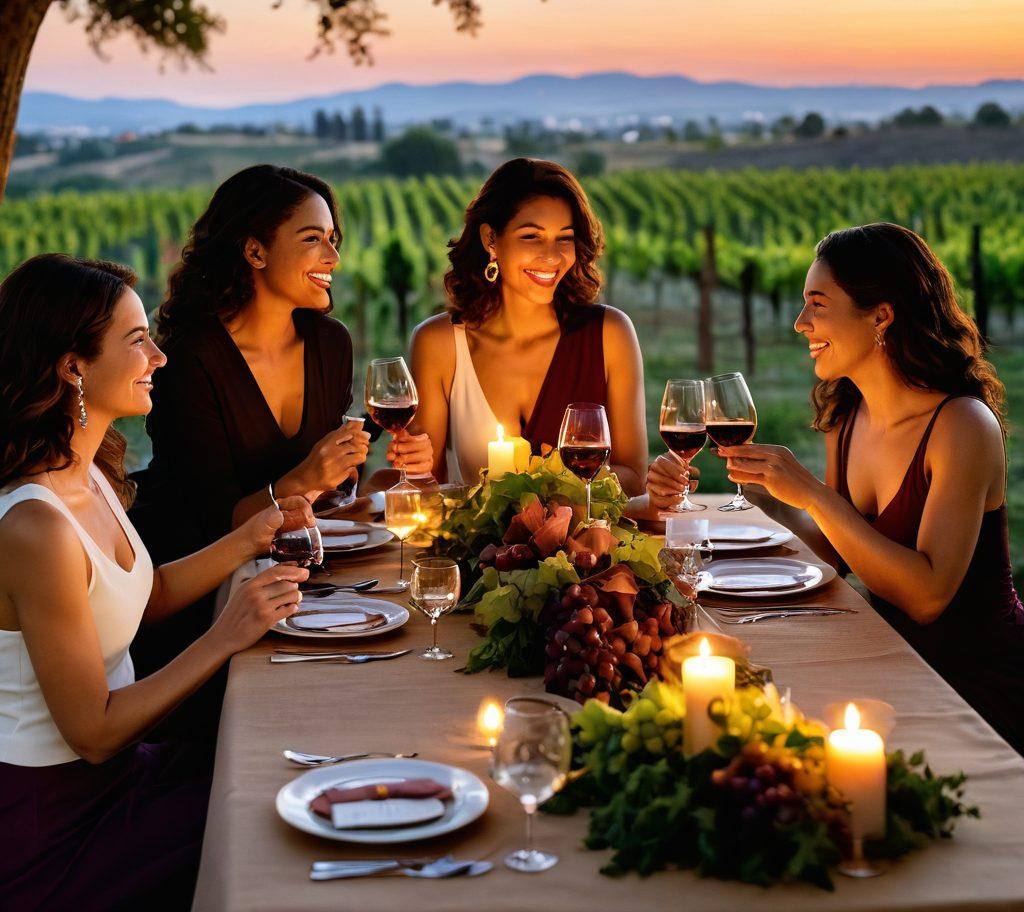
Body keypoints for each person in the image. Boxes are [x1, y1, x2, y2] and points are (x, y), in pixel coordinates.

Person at [0, 254, 311, 909]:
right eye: (137, 339)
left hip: (117, 779)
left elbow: (146, 597)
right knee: (268, 831)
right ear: (73, 365)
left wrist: (252, 537)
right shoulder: (36, 525)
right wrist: (225, 637)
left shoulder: (86, 473)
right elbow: (94, 730)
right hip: (55, 822)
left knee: (276, 775)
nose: (159, 358)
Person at [656, 223, 1023, 752]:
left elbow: (927, 597)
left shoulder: (963, 426)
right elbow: (838, 548)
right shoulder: (848, 414)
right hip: (894, 661)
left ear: (881, 315)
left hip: (976, 687)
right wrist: (764, 490)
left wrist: (810, 493)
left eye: (818, 304)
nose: (800, 323)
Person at [131, 165, 431, 672]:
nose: (333, 257)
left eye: (333, 239)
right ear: (255, 252)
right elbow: (210, 526)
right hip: (191, 605)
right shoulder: (191, 357)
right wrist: (302, 478)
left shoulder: (329, 342)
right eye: (313, 239)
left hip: (293, 588)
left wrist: (374, 473)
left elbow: (329, 498)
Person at [411, 158, 648, 492]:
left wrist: (545, 488)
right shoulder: (439, 343)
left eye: (564, 238)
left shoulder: (610, 334)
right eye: (532, 237)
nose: (551, 256)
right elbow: (423, 486)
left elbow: (635, 481)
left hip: (592, 544)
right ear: (491, 239)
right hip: (474, 546)